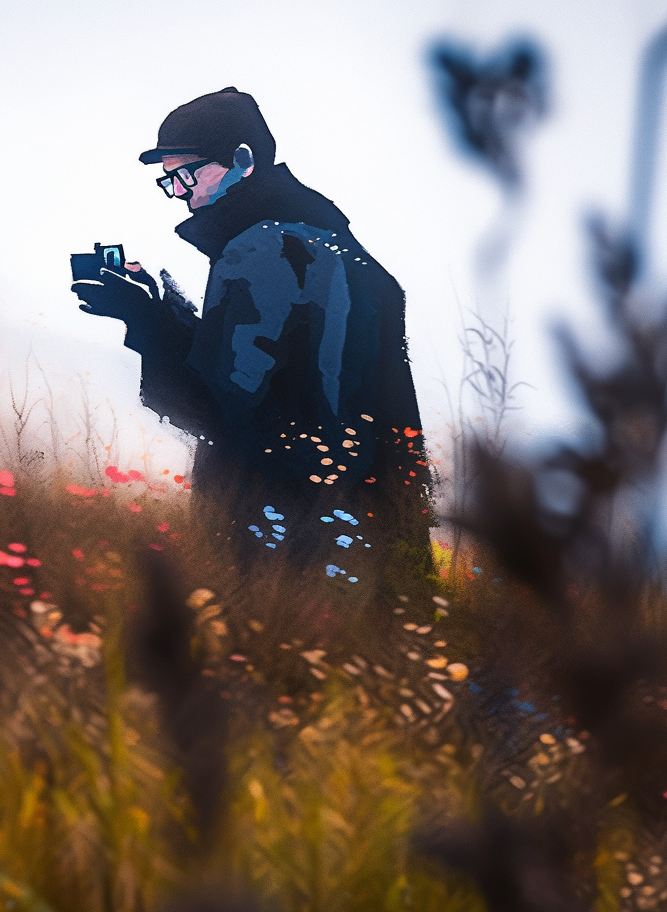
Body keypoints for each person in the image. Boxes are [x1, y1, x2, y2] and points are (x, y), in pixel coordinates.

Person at [72, 87, 428, 571]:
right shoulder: (339, 248)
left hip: (284, 540)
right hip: (365, 533)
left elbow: (220, 409)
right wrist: (162, 308)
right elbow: (274, 380)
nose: (177, 192)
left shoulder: (260, 251)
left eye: (184, 174)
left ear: (243, 159)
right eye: (167, 182)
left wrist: (146, 319)